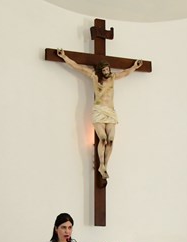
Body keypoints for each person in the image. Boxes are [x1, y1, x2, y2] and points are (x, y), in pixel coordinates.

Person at [56, 49, 143, 181]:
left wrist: (135, 67)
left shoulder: (113, 77)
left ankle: (105, 166)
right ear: (100, 71)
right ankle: (101, 164)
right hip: (98, 110)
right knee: (103, 139)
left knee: (111, 140)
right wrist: (64, 57)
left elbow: (125, 73)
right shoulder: (94, 77)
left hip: (111, 111)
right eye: (104, 71)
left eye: (108, 70)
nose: (107, 72)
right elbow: (77, 67)